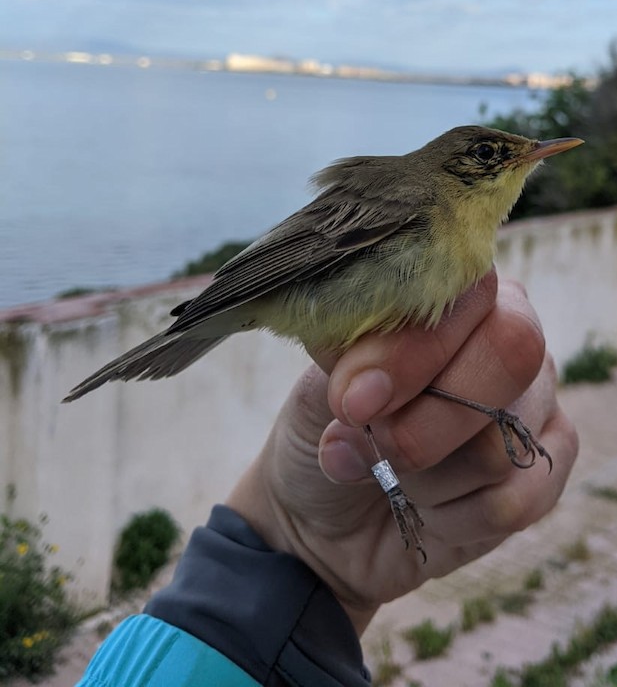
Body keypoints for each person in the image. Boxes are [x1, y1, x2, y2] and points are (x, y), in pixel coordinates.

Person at [75, 270, 579, 685]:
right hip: (305, 305)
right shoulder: (423, 209)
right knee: (367, 403)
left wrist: (292, 553)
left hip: (259, 608)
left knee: (382, 402)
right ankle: (395, 480)